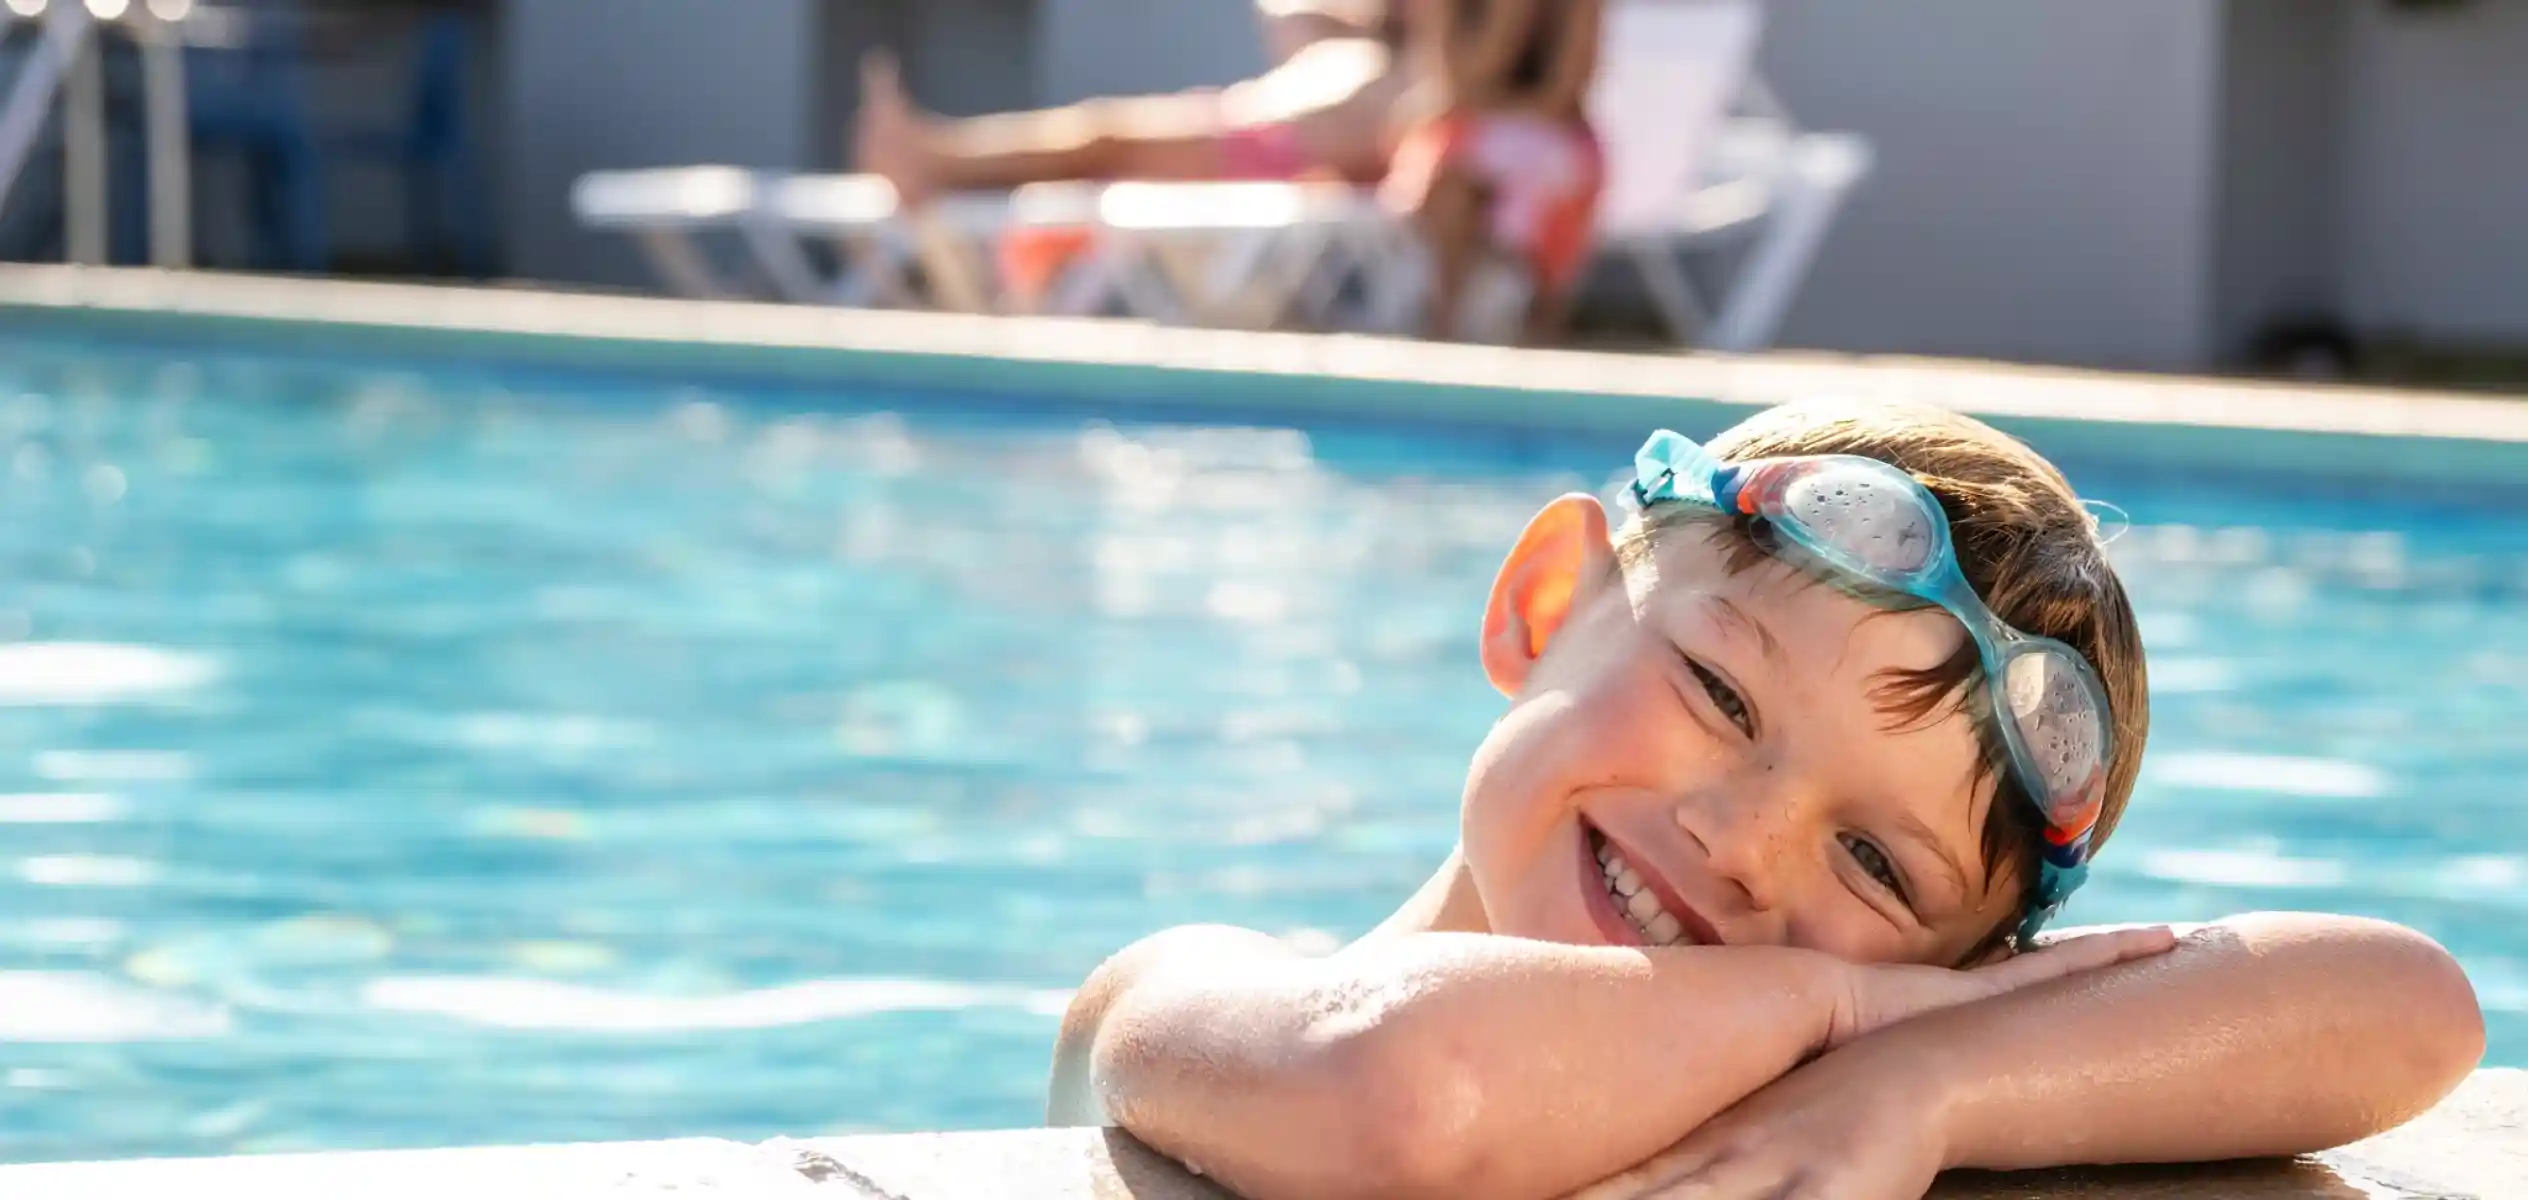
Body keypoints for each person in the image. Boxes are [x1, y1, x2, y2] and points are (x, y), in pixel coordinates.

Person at [1045, 398, 2483, 1200]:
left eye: (1876, 862)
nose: (1741, 845)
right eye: (1720, 696)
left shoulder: (1891, 1068)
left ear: (1973, 974)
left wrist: (1938, 1079)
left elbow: (2410, 1010)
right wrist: (1844, 1011)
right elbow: (1403, 1090)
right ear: (1545, 605)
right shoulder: (1173, 999)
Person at [854, 1, 1418, 205]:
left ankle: (938, 161)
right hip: (1242, 131)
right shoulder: (1364, 51)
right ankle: (937, 154)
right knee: (1096, 138)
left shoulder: (1409, 78)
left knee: (1098, 143)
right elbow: (1287, 13)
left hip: (1253, 150)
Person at [1381, 0, 1607, 343]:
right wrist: (1507, 17)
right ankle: (1443, 323)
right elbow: (1457, 87)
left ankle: (1536, 323)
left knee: (1543, 178)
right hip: (1470, 136)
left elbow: (1562, 94)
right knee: (1450, 182)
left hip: (1552, 138)